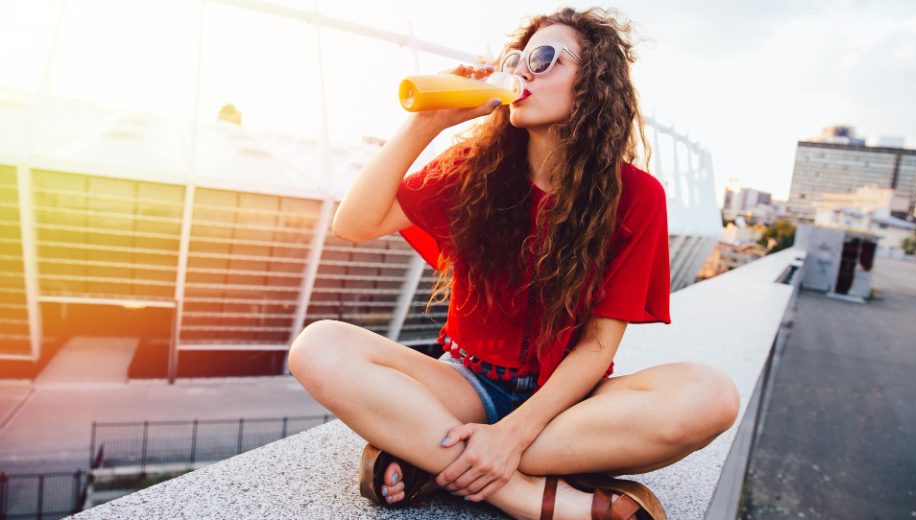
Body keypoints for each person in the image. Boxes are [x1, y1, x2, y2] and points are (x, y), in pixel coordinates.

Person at [288, 6, 740, 519]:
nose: (522, 69)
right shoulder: (472, 169)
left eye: (545, 58)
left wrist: (510, 436)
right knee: (318, 346)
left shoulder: (636, 195)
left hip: (569, 407)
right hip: (467, 385)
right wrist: (425, 124)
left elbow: (597, 346)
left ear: (592, 85)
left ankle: (433, 462)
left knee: (712, 396)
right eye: (517, 58)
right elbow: (354, 222)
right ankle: (527, 496)